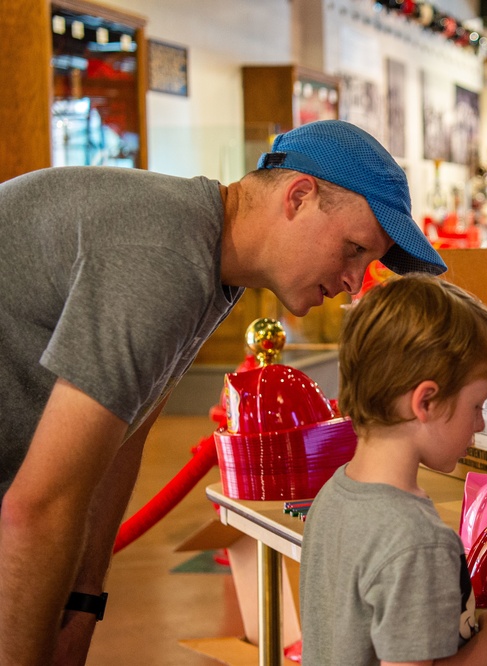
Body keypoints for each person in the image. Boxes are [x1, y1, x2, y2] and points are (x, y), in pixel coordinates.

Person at [0, 119, 446, 664]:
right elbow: (36, 508)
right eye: (354, 249)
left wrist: (84, 603)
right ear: (299, 197)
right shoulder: (166, 257)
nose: (356, 281)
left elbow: (126, 440)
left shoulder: (215, 266)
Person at [299, 274, 487, 665]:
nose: (479, 424)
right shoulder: (417, 540)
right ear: (425, 402)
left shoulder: (334, 494)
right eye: (477, 406)